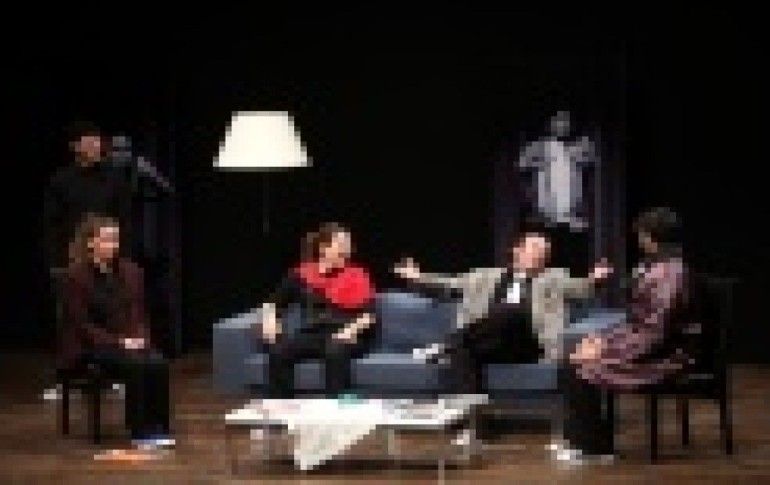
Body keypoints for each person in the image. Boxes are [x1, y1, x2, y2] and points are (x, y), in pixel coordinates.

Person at [394, 227, 613, 393]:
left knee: (511, 311)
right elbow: (448, 284)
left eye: (546, 250)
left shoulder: (555, 278)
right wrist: (417, 277)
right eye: (536, 247)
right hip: (492, 344)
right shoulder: (483, 277)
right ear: (517, 250)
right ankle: (470, 422)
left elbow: (582, 288)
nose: (542, 253)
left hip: (528, 346)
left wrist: (595, 279)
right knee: (465, 350)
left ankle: (446, 346)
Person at [554, 207, 689, 464]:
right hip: (645, 344)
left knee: (580, 365)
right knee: (574, 357)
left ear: (652, 237)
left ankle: (593, 448)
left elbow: (656, 330)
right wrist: (602, 340)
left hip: (660, 355)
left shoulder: (669, 273)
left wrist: (608, 349)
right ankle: (585, 441)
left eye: (642, 235)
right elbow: (636, 322)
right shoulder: (656, 267)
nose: (640, 240)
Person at [59, 213, 172, 450]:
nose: (113, 245)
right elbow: (81, 324)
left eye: (116, 240)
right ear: (91, 242)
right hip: (92, 345)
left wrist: (140, 338)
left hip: (127, 340)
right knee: (136, 364)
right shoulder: (76, 276)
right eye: (107, 240)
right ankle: (139, 431)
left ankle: (158, 427)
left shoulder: (130, 272)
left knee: (157, 362)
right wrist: (119, 342)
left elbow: (138, 312)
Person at [260, 222, 376, 398]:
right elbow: (272, 302)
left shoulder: (357, 275)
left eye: (348, 245)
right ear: (323, 248)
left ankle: (336, 406)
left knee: (335, 349)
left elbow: (370, 316)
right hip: (314, 333)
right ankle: (280, 406)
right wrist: (269, 319)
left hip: (348, 334)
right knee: (278, 350)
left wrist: (350, 330)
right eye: (341, 244)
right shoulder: (301, 275)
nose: (347, 250)